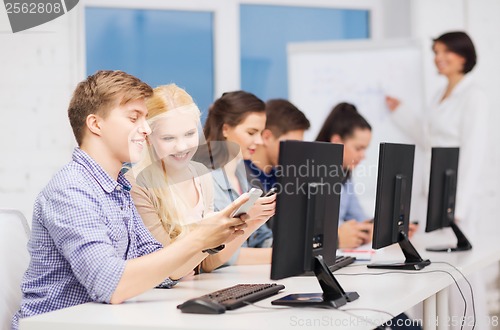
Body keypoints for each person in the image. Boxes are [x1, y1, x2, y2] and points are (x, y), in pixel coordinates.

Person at [11, 71, 249, 329]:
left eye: (146, 119)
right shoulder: (71, 190)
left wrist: (213, 237)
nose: (146, 130)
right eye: (134, 118)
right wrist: (198, 238)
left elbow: (164, 274)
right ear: (96, 124)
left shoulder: (117, 189)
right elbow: (111, 286)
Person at [385, 31, 491, 330]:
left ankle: (468, 326)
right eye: (436, 52)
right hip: (430, 193)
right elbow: (429, 137)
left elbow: (473, 151)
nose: (439, 58)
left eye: (446, 52)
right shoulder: (439, 94)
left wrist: (458, 204)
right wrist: (401, 111)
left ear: (464, 56)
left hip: (456, 199)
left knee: (462, 272)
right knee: (434, 269)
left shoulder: (474, 96)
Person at [127, 84, 274, 272]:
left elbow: (206, 264)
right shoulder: (138, 184)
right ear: (148, 138)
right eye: (168, 138)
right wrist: (211, 235)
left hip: (193, 290)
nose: (182, 147)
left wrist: (249, 223)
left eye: (189, 134)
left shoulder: (201, 176)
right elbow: (167, 270)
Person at [315, 102, 418, 249]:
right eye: (358, 148)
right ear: (337, 142)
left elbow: (359, 218)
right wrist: (344, 236)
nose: (363, 156)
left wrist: (389, 226)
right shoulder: (311, 177)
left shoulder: (344, 176)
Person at [202, 91, 276, 259]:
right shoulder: (204, 179)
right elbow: (214, 256)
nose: (259, 141)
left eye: (260, 133)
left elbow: (260, 238)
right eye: (251, 133)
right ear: (226, 129)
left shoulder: (242, 176)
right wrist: (280, 256)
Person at [245, 98, 310, 229]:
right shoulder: (241, 177)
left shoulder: (281, 176)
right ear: (267, 137)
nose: (297, 153)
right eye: (293, 145)